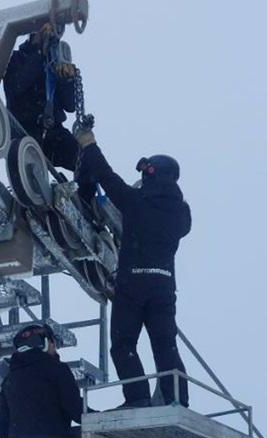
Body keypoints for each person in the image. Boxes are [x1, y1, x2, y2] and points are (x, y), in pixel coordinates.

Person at [74, 129, 191, 408]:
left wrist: (89, 145)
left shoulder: (137, 203)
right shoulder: (181, 215)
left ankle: (137, 398)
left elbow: (106, 176)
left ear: (151, 174)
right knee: (165, 345)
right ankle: (178, 400)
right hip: (164, 286)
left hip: (133, 284)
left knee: (124, 344)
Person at [0, 323, 83, 438]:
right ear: (47, 343)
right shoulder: (56, 369)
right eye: (54, 344)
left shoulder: (10, 380)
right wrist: (101, 421)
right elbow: (76, 410)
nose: (55, 349)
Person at [3, 23, 79, 173]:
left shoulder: (55, 64)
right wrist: (39, 54)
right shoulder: (17, 58)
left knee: (83, 161)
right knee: (30, 173)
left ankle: (88, 194)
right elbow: (16, 87)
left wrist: (67, 80)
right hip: (24, 131)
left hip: (53, 133)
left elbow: (70, 106)